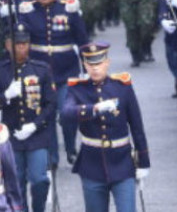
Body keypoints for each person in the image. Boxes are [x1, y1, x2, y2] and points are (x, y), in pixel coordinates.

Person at [62, 42, 150, 212]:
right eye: (91, 64)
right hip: (92, 164)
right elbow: (66, 113)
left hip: (122, 161)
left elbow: (137, 126)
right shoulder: (77, 89)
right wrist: (93, 109)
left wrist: (144, 162)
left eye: (99, 64)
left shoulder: (122, 87)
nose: (95, 69)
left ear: (107, 63)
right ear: (85, 65)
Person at [17, 0, 89, 166]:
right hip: (40, 74)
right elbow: (20, 42)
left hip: (66, 71)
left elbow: (82, 40)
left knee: (67, 113)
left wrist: (88, 68)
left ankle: (70, 147)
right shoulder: (28, 11)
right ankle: (52, 157)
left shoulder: (68, 9)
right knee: (46, 117)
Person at [0, 23, 57, 212]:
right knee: (16, 183)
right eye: (18, 44)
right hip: (12, 137)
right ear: (9, 45)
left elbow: (51, 104)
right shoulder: (0, 70)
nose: (22, 48)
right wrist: (6, 96)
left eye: (25, 44)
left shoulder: (41, 69)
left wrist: (35, 125)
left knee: (40, 180)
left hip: (36, 135)